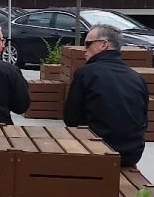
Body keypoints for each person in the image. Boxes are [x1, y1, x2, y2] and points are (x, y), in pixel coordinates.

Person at [63, 24, 149, 167]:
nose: (84, 50)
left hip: (96, 151)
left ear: (104, 45)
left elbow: (70, 119)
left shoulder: (86, 73)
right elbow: (143, 119)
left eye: (88, 44)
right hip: (132, 154)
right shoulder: (137, 78)